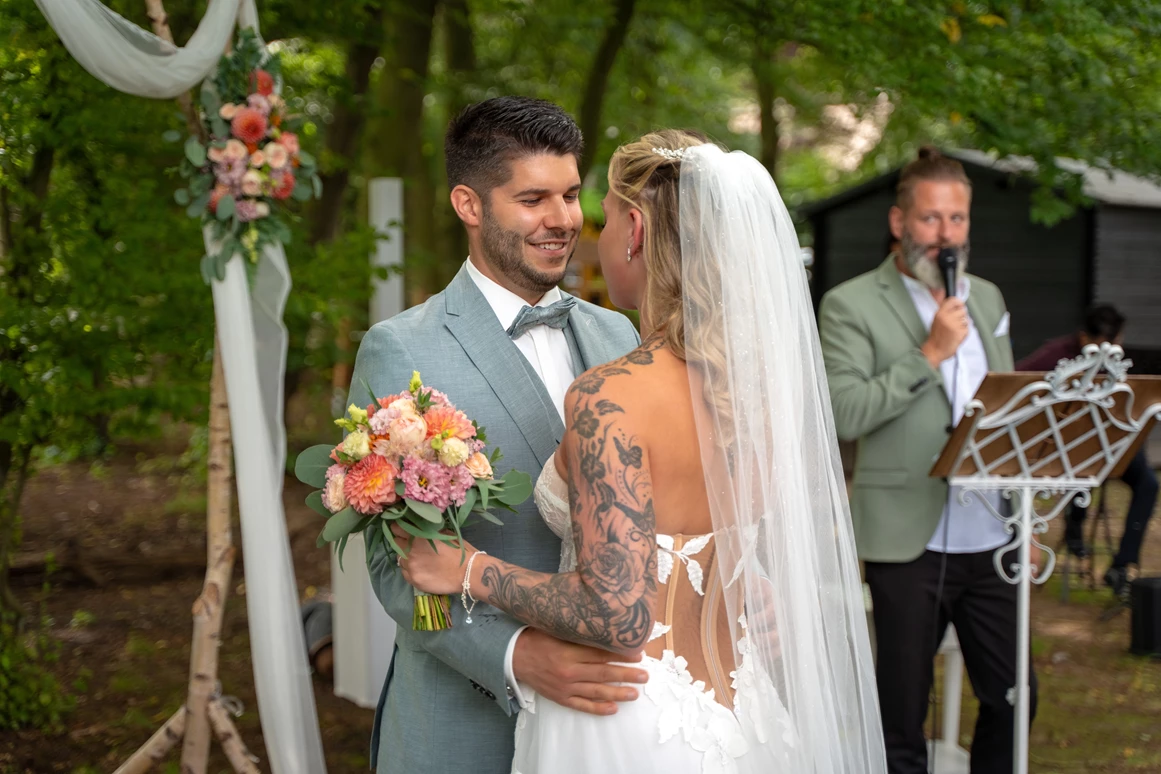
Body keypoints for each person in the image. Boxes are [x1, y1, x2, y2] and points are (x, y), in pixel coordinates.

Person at [398, 131, 885, 773]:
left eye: (585, 201)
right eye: (539, 197)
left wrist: (468, 569)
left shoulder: (611, 389)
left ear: (634, 231)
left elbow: (619, 613)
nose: (576, 223)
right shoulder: (759, 395)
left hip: (628, 722)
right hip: (742, 719)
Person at [347, 97, 644, 774]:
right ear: (469, 205)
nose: (563, 219)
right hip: (464, 721)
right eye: (533, 198)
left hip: (609, 716)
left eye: (570, 195)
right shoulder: (400, 349)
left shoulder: (617, 335)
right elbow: (396, 570)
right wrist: (517, 656)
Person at [818, 147, 1035, 774]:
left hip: (991, 533)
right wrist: (930, 353)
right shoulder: (850, 303)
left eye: (958, 219)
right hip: (905, 536)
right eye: (932, 219)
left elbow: (1004, 402)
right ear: (898, 222)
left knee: (1016, 700)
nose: (946, 235)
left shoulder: (987, 298)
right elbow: (846, 413)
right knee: (901, 713)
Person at [1017, 304, 1158, 598]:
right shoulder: (1054, 356)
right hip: (1066, 449)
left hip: (1110, 446)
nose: (1109, 349)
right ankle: (1075, 534)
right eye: (1100, 344)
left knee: (1147, 483)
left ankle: (1121, 565)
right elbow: (1015, 382)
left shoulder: (1118, 360)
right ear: (1083, 338)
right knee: (1081, 467)